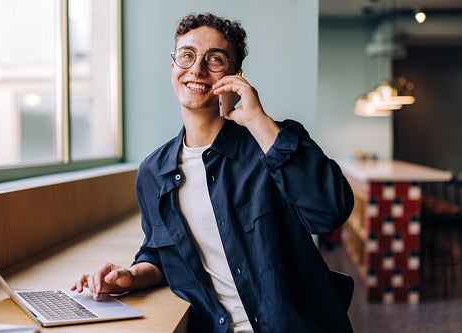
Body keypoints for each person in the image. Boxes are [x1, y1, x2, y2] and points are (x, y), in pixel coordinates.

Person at [72, 13, 354, 333]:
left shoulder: (273, 141)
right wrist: (130, 276)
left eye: (215, 59)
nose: (197, 68)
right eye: (187, 55)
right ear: (174, 65)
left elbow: (330, 212)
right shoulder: (154, 171)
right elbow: (162, 251)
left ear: (235, 75)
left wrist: (258, 120)